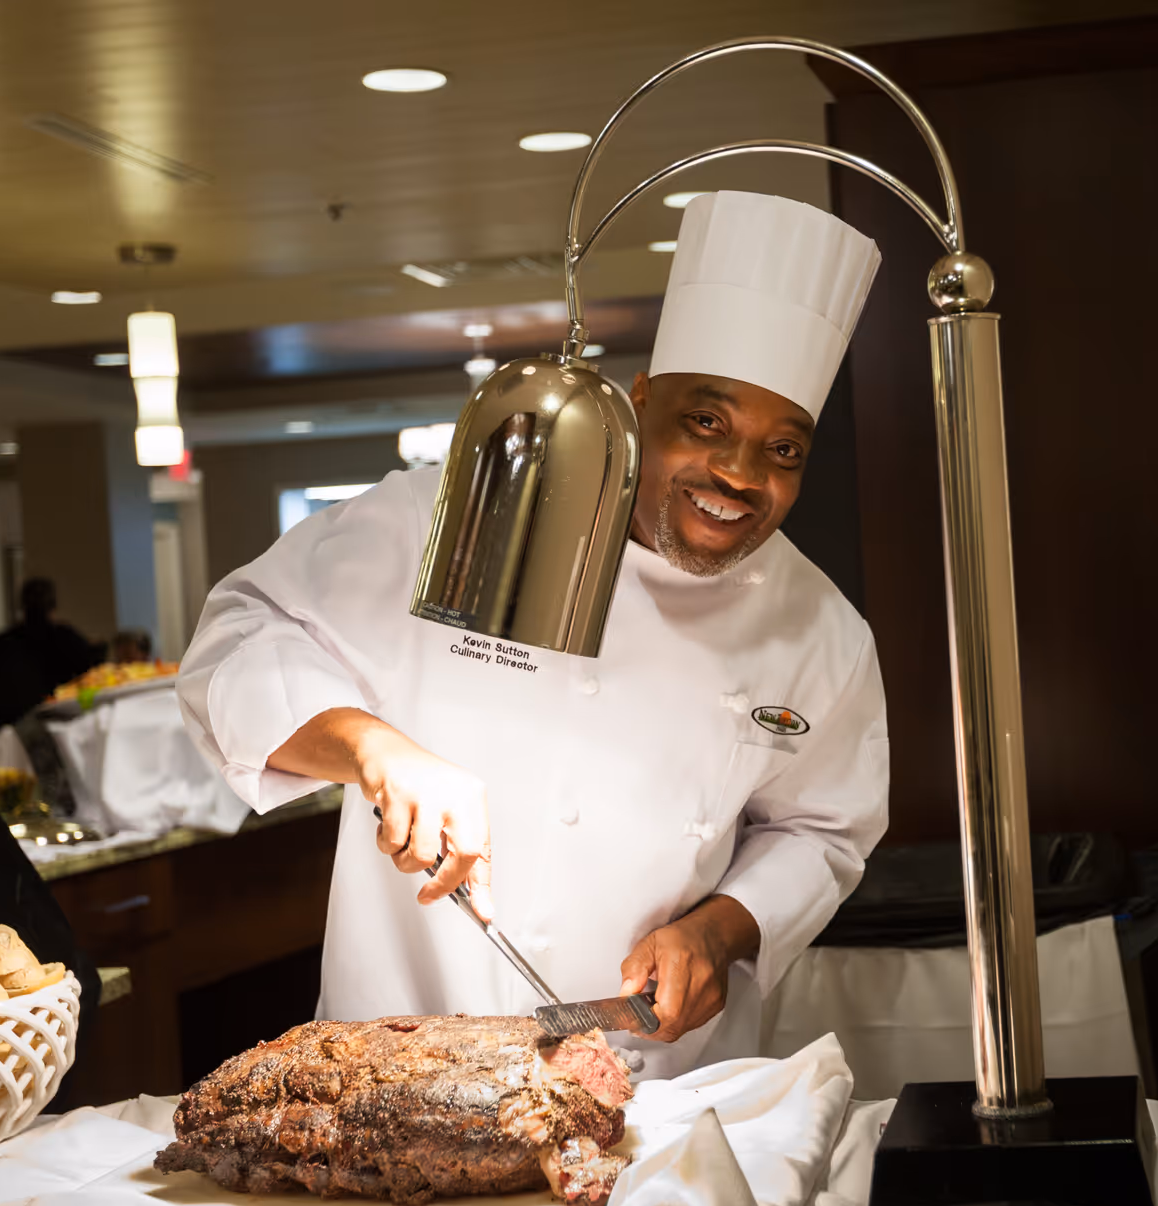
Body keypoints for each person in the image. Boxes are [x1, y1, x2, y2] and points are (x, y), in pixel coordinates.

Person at [179, 191, 889, 1079]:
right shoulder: (450, 515)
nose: (739, 475)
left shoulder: (819, 628)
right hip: (389, 1065)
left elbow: (825, 830)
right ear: (638, 403)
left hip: (650, 1084)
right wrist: (371, 747)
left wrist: (723, 927)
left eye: (784, 449)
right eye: (706, 423)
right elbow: (235, 644)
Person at [0, 578, 106, 727]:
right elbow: (94, 674)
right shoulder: (67, 639)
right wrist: (99, 649)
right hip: (57, 731)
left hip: (11, 736)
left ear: (22, 607)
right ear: (53, 606)